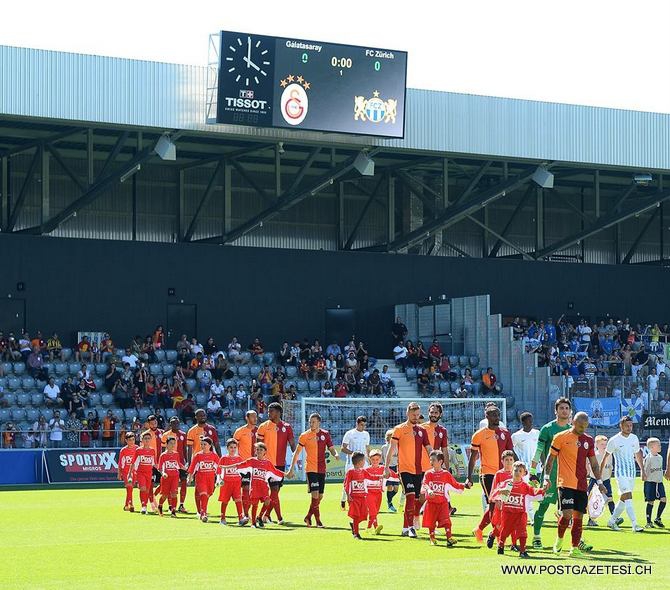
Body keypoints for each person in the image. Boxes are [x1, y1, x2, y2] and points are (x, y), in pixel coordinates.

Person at [543, 412, 608, 557]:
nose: (582, 429)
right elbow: (550, 458)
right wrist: (546, 478)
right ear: (573, 422)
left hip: (581, 485)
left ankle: (574, 549)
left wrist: (599, 482)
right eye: (580, 426)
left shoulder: (588, 440)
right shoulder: (560, 437)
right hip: (565, 483)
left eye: (585, 426)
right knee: (566, 515)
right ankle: (559, 540)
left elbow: (594, 464)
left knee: (579, 517)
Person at [465, 404, 514, 543]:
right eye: (493, 415)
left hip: (505, 475)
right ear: (487, 417)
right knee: (493, 504)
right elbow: (473, 458)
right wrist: (469, 477)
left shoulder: (505, 434)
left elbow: (511, 454)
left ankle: (480, 529)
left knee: (502, 504)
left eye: (498, 415)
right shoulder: (479, 435)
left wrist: (518, 468)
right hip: (488, 474)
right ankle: (498, 537)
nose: (496, 417)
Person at [529, 397, 572, 549]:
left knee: (569, 510)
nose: (564, 411)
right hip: (550, 475)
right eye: (561, 408)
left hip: (568, 476)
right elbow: (539, 451)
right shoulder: (547, 429)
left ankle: (576, 541)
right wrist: (533, 471)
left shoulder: (573, 430)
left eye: (566, 408)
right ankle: (536, 537)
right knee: (543, 506)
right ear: (556, 411)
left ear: (570, 411)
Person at [384, 402, 432, 538]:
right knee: (410, 497)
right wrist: (386, 467)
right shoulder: (399, 429)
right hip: (404, 469)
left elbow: (428, 448)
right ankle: (411, 528)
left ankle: (405, 528)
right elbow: (391, 448)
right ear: (407, 414)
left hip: (419, 470)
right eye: (413, 415)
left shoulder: (422, 431)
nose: (416, 417)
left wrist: (435, 460)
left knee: (416, 500)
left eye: (417, 415)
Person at [287, 412, 340, 527]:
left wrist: (335, 454)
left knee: (320, 496)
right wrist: (291, 469)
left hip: (321, 469)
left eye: (313, 422)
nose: (311, 424)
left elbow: (331, 448)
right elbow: (296, 453)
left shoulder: (325, 434)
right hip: (310, 469)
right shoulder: (304, 436)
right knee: (315, 495)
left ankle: (308, 516)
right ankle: (318, 521)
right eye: (310, 422)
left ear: (319, 423)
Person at [601, 416, 645, 532]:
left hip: (631, 474)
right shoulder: (614, 440)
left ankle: (612, 521)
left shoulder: (634, 438)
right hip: (621, 474)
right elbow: (606, 457)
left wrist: (642, 470)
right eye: (627, 425)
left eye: (631, 425)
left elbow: (637, 454)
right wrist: (599, 476)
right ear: (621, 426)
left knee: (623, 499)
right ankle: (635, 524)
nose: (629, 427)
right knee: (629, 497)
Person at [494, 461, 544, 558]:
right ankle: (501, 545)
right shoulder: (506, 484)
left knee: (522, 531)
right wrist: (500, 492)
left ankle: (522, 551)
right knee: (505, 531)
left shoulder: (525, 486)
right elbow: (496, 492)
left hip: (521, 513)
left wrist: (543, 490)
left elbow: (534, 492)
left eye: (520, 471)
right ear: (512, 471)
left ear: (524, 473)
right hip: (507, 512)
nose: (517, 472)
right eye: (515, 470)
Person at [256, 402, 295, 524]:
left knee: (275, 493)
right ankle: (278, 517)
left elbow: (293, 443)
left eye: (271, 411)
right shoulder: (263, 426)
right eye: (268, 411)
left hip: (279, 465)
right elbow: (258, 446)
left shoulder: (287, 427)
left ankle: (265, 515)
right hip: (266, 465)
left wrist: (296, 456)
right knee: (273, 492)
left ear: (278, 412)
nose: (268, 413)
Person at [236, 442, 285, 528]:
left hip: (264, 487)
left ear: (265, 452)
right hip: (254, 487)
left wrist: (287, 474)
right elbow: (240, 465)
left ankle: (259, 517)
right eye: (257, 449)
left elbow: (275, 471)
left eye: (261, 450)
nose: (258, 451)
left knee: (267, 501)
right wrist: (227, 467)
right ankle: (253, 523)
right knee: (255, 504)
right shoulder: (252, 461)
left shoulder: (268, 463)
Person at [421, 450, 464, 547]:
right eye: (430, 460)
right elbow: (425, 484)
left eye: (433, 460)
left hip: (443, 503)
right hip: (431, 503)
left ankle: (449, 538)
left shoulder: (446, 474)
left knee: (447, 520)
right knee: (431, 522)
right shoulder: (428, 473)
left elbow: (455, 484)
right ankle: (432, 538)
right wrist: (429, 490)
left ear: (440, 462)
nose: (431, 462)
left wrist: (464, 485)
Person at [419, 403, 450, 524]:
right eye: (431, 412)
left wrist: (446, 468)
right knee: (420, 497)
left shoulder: (442, 430)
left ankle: (431, 522)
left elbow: (445, 450)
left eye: (436, 413)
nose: (433, 415)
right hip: (420, 467)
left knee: (436, 497)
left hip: (435, 470)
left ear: (440, 414)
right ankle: (416, 520)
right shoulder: (421, 428)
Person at [511, 412, 539, 522]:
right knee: (526, 492)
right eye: (529, 421)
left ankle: (526, 513)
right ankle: (531, 518)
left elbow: (539, 449)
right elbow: (511, 449)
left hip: (536, 468)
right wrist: (518, 461)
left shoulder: (537, 433)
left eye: (532, 420)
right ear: (523, 422)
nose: (531, 423)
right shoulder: (516, 436)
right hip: (523, 469)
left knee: (534, 492)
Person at [340, 416, 371, 509]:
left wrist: (369, 458)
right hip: (351, 462)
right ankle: (343, 499)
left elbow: (367, 447)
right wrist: (353, 453)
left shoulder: (366, 434)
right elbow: (343, 448)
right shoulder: (350, 433)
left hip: (363, 461)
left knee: (365, 481)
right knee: (349, 482)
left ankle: (364, 502)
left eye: (365, 425)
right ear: (357, 424)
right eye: (362, 425)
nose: (363, 427)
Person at [487, 450, 516, 550]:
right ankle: (492, 534)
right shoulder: (499, 474)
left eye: (511, 460)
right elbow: (495, 489)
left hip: (513, 502)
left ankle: (514, 544)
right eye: (506, 460)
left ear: (514, 461)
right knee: (501, 525)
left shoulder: (515, 473)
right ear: (502, 461)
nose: (509, 462)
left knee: (514, 524)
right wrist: (496, 500)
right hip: (501, 504)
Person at [216, 438, 249, 526]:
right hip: (226, 483)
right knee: (225, 501)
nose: (233, 449)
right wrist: (219, 479)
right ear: (227, 448)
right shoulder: (223, 458)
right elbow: (219, 470)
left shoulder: (239, 458)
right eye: (231, 447)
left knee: (238, 500)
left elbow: (243, 469)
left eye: (235, 447)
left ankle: (240, 518)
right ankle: (222, 518)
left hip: (237, 483)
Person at [187, 436, 219, 522]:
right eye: (201, 444)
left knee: (207, 495)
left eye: (205, 444)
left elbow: (218, 469)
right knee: (203, 494)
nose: (203, 446)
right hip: (201, 478)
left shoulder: (214, 456)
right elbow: (193, 467)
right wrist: (189, 478)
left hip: (211, 479)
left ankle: (200, 510)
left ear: (210, 446)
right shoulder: (198, 455)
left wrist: (220, 479)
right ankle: (203, 514)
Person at [160, 417, 189, 513]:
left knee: (184, 482)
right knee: (168, 485)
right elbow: (163, 450)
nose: (175, 425)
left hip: (180, 463)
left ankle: (181, 504)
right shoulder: (165, 435)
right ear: (170, 424)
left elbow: (185, 449)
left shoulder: (183, 434)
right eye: (173, 423)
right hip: (169, 464)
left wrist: (187, 462)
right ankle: (170, 505)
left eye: (177, 423)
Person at [587, 435, 616, 527]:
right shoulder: (594, 455)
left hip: (606, 480)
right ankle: (590, 519)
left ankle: (614, 518)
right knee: (593, 500)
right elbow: (589, 466)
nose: (604, 446)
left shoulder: (609, 455)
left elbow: (610, 467)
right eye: (602, 444)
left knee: (610, 498)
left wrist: (608, 476)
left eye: (605, 444)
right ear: (596, 445)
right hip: (595, 480)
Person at [129, 431, 158, 514]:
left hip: (149, 473)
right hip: (140, 473)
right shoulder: (138, 450)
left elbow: (155, 463)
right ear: (142, 440)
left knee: (147, 491)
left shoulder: (152, 450)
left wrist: (162, 470)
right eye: (145, 438)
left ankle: (146, 504)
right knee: (143, 488)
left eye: (149, 438)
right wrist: (129, 474)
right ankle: (143, 506)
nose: (147, 440)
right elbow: (133, 463)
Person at [342, 452, 369, 539]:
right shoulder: (350, 472)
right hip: (354, 498)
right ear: (360, 462)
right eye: (364, 460)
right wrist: (348, 495)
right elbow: (346, 484)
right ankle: (356, 534)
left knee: (364, 514)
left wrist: (380, 476)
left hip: (362, 497)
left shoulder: (363, 471)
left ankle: (354, 525)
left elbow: (371, 476)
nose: (364, 462)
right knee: (356, 515)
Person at [157, 436, 184, 517]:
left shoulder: (176, 454)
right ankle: (160, 506)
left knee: (174, 494)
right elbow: (160, 468)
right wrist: (163, 473)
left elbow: (178, 464)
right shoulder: (163, 455)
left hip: (175, 477)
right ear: (166, 444)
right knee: (164, 495)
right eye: (171, 443)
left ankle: (173, 511)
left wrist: (185, 468)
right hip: (166, 478)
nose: (173, 445)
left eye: (174, 443)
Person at [643, 437, 666, 528]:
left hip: (659, 483)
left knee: (663, 499)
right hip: (650, 483)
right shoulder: (648, 458)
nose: (660, 446)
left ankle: (658, 518)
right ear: (652, 447)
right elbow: (645, 471)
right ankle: (648, 521)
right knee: (651, 502)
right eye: (658, 445)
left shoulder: (660, 457)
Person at [364, 449, 387, 534]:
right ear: (370, 459)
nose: (375, 461)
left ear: (380, 459)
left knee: (375, 512)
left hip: (379, 493)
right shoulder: (366, 470)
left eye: (377, 459)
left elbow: (392, 475)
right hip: (369, 493)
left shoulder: (383, 468)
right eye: (373, 459)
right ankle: (374, 527)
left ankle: (370, 528)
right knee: (373, 511)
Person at [381, 429, 400, 512]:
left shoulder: (397, 446)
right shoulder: (384, 447)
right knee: (389, 487)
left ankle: (389, 499)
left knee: (396, 488)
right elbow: (382, 458)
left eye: (391, 436)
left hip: (396, 468)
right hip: (388, 468)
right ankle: (390, 503)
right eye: (388, 436)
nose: (390, 438)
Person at [118, 432, 137, 511]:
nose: (131, 442)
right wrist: (119, 473)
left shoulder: (137, 448)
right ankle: (131, 504)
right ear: (126, 440)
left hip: (135, 471)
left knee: (130, 489)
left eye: (133, 440)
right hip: (126, 472)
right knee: (129, 486)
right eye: (129, 440)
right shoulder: (123, 450)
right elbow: (120, 463)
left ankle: (126, 505)